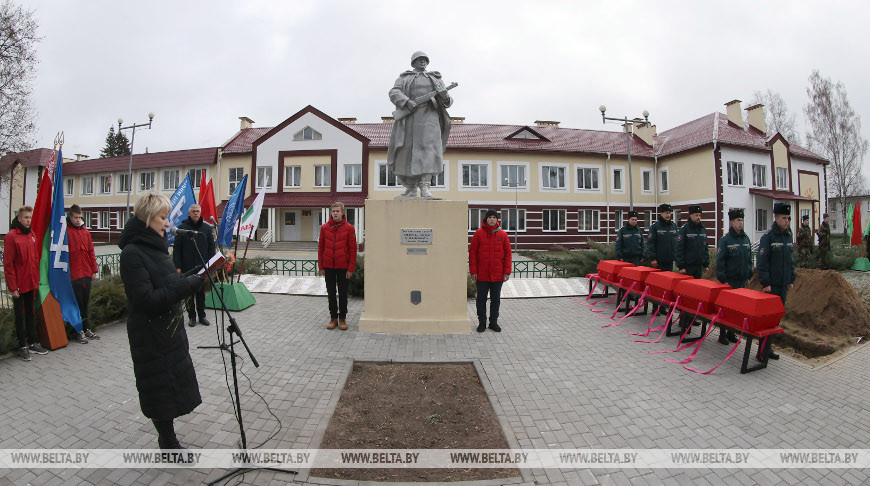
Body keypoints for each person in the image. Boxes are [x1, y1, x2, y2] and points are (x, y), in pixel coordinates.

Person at [120, 192, 206, 450]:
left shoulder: (156, 249)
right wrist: (189, 285)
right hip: (149, 335)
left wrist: (202, 273)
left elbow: (169, 284)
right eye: (163, 217)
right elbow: (147, 299)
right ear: (148, 219)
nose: (168, 223)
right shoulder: (133, 253)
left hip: (168, 331)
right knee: (158, 388)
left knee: (171, 384)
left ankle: (168, 438)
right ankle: (167, 442)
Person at [387, 51, 453, 199]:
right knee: (407, 151)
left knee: (429, 151)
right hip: (410, 118)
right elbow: (394, 92)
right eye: (419, 59)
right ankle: (410, 189)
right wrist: (407, 102)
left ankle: (425, 187)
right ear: (413, 62)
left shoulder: (435, 78)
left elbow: (447, 101)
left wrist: (444, 95)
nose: (422, 62)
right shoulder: (405, 78)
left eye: (425, 59)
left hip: (430, 119)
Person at [3, 206, 49, 361]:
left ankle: (32, 343)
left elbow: (34, 259)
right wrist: (12, 287)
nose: (29, 220)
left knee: (30, 313)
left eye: (30, 217)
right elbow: (8, 264)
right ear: (19, 218)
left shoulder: (32, 234)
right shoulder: (11, 236)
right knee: (20, 316)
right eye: (26, 217)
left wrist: (36, 279)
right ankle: (22, 346)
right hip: (18, 284)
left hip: (31, 282)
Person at [757, 202, 796, 361]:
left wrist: (791, 278)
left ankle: (769, 347)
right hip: (771, 286)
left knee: (776, 319)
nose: (787, 221)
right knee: (768, 319)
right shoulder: (768, 237)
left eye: (788, 218)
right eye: (784, 218)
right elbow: (762, 262)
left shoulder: (788, 235)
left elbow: (790, 260)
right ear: (776, 218)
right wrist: (765, 283)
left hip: (783, 284)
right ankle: (761, 351)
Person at [172, 204, 215, 327]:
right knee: (188, 293)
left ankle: (202, 316)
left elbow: (211, 247)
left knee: (201, 293)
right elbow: (177, 249)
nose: (196, 213)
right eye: (193, 211)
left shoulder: (206, 228)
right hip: (187, 267)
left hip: (203, 266)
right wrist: (178, 266)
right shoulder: (182, 228)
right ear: (189, 213)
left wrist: (211, 264)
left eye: (197, 211)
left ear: (200, 213)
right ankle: (192, 317)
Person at [469, 209, 511, 333]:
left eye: (494, 217)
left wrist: (507, 272)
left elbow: (508, 254)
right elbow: (473, 253)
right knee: (481, 299)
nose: (492, 219)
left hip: (498, 275)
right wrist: (473, 271)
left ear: (497, 220)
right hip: (482, 274)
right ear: (486, 219)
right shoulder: (479, 233)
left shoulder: (503, 234)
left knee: (495, 299)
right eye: (490, 217)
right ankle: (482, 322)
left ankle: (493, 323)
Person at [318, 201, 357, 331]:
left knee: (343, 293)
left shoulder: (349, 228)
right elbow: (321, 248)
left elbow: (353, 250)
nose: (335, 213)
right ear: (331, 213)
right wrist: (321, 266)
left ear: (342, 213)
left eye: (337, 211)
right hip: (328, 266)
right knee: (331, 293)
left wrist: (350, 268)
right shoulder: (324, 228)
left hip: (343, 267)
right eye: (333, 211)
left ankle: (342, 319)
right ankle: (333, 318)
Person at [715, 208, 752, 344]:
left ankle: (732, 333)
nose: (741, 223)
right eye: (738, 220)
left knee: (738, 309)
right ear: (732, 222)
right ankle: (722, 333)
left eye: (742, 220)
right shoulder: (725, 240)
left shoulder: (746, 238)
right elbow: (720, 262)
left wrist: (749, 274)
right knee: (726, 309)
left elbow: (749, 259)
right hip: (729, 281)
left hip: (742, 280)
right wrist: (723, 279)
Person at [67, 204, 100, 343]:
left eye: (80, 217)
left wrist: (94, 270)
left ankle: (86, 328)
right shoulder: (66, 232)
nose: (78, 220)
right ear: (70, 217)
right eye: (76, 217)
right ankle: (78, 331)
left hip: (86, 273)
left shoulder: (85, 232)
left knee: (85, 304)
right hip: (74, 275)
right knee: (77, 304)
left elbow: (91, 251)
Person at [675, 205, 709, 278]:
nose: (698, 217)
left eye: (700, 215)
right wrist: (681, 266)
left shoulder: (703, 229)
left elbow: (705, 248)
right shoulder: (684, 229)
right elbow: (679, 248)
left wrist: (706, 264)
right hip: (688, 267)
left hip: (699, 267)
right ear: (690, 215)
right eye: (696, 215)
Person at [647, 203, 678, 272]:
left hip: (670, 260)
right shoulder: (655, 226)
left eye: (669, 213)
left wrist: (676, 258)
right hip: (659, 261)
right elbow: (651, 243)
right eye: (666, 213)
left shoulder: (673, 226)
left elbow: (676, 243)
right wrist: (653, 258)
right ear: (661, 213)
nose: (668, 215)